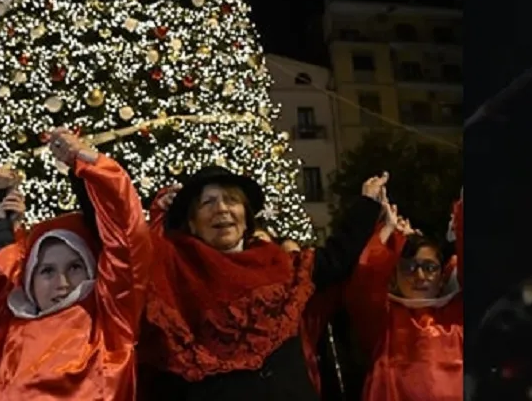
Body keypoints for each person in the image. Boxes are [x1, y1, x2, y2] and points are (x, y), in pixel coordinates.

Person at [139, 165, 385, 398]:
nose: (221, 208)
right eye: (208, 202)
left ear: (246, 218)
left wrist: (367, 203)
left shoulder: (280, 265)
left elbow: (336, 257)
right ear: (192, 223)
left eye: (231, 200)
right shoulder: (173, 272)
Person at [0, 129, 152, 401]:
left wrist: (89, 165)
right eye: (47, 271)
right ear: (29, 280)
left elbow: (127, 237)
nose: (62, 283)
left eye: (75, 267)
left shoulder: (110, 322)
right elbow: (0, 270)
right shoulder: (11, 319)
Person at [344, 186, 464, 401]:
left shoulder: (456, 317)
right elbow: (366, 277)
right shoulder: (384, 319)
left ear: (441, 275)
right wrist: (389, 230)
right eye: (409, 267)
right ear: (394, 276)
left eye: (429, 267)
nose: (419, 276)